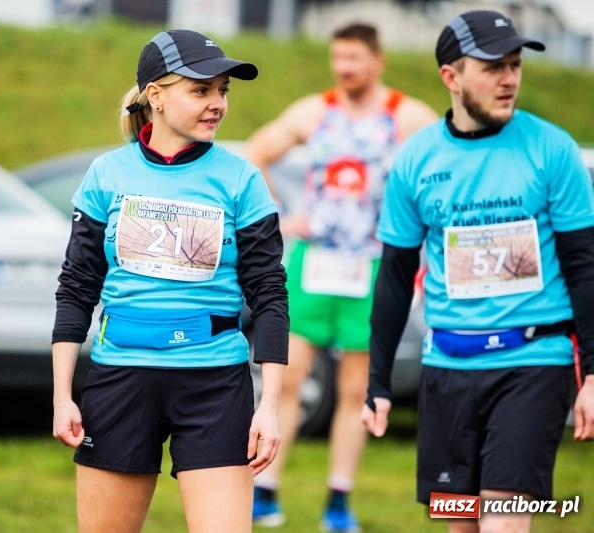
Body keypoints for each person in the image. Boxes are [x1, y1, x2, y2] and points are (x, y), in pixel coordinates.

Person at [362, 10, 594, 533]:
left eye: (514, 65)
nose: (508, 78)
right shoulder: (415, 159)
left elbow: (585, 266)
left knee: (503, 519)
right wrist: (378, 380)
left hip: (533, 361)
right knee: (459, 523)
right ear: (451, 76)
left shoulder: (551, 150)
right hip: (448, 367)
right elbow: (395, 275)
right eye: (492, 67)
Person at [50, 29, 289, 533]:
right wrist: (61, 393)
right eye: (201, 90)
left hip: (214, 385)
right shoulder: (105, 174)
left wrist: (269, 405)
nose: (217, 103)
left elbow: (269, 295)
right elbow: (76, 286)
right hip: (120, 379)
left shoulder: (243, 179)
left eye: (223, 91)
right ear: (155, 97)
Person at [244, 22, 437, 531]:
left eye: (353, 58)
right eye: (337, 58)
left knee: (356, 389)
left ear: (378, 59)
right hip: (315, 261)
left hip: (372, 265)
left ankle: (338, 499)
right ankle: (264, 491)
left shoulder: (408, 116)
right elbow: (255, 153)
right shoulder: (316, 110)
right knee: (286, 378)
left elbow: (446, 167)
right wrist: (284, 214)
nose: (344, 68)